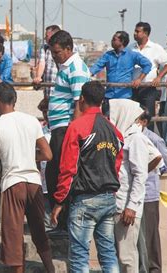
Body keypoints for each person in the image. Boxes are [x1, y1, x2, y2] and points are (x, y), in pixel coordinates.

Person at [51, 81, 123, 272]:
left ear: (82, 100)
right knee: (108, 253)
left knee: (79, 257)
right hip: (108, 199)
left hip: (84, 201)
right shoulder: (114, 131)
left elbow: (68, 169)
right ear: (101, 100)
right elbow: (116, 166)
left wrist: (59, 201)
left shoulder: (76, 127)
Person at [0, 83, 55, 273]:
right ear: (15, 100)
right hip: (34, 183)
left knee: (14, 237)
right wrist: (31, 157)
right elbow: (47, 154)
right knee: (39, 232)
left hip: (13, 183)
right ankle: (50, 268)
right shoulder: (32, 121)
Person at [44, 30, 90, 230]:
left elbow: (79, 104)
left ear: (69, 49)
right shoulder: (65, 67)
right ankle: (60, 222)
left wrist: (74, 134)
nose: (55, 56)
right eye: (53, 53)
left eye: (57, 52)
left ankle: (63, 224)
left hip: (66, 129)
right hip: (58, 128)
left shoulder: (76, 68)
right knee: (53, 173)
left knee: (59, 174)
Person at [108, 99, 149, 273]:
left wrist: (131, 206)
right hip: (115, 204)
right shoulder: (119, 137)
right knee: (115, 256)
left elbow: (140, 175)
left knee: (127, 257)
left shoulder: (136, 138)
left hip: (126, 207)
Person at [137, 109, 167, 273]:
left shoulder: (154, 139)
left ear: (144, 122)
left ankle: (154, 268)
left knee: (150, 235)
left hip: (149, 193)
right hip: (135, 194)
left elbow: (164, 165)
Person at [131, 22, 167, 130]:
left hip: (148, 87)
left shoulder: (155, 48)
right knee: (133, 116)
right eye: (135, 31)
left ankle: (148, 141)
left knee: (148, 116)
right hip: (133, 87)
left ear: (145, 33)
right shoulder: (131, 48)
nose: (134, 33)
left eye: (137, 31)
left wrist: (159, 77)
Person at [90, 31, 152, 103]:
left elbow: (147, 64)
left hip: (124, 96)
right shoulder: (108, 55)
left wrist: (139, 79)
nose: (111, 41)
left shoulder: (132, 55)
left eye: (114, 39)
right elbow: (97, 66)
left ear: (122, 41)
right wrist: (89, 74)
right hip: (109, 96)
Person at [33, 25, 61, 122]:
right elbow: (42, 63)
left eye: (47, 36)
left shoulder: (67, 47)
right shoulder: (45, 48)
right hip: (48, 92)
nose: (45, 38)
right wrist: (38, 77)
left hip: (60, 91)